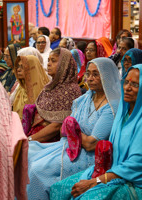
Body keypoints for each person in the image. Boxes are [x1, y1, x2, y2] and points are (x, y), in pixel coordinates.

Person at [27, 57, 121, 200]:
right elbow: (63, 130)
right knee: (28, 153)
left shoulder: (111, 106)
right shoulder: (85, 99)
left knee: (37, 169)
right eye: (88, 73)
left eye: (96, 74)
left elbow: (91, 144)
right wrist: (72, 131)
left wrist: (74, 131)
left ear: (107, 76)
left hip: (88, 156)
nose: (89, 78)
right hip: (69, 145)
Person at [50, 64, 142, 200]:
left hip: (131, 182)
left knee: (86, 197)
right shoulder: (124, 113)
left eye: (135, 84)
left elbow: (134, 165)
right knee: (59, 188)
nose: (127, 88)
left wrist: (95, 181)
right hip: (111, 171)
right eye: (126, 82)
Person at [22, 48, 81, 143]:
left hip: (51, 141)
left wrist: (29, 140)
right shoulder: (50, 86)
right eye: (48, 60)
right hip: (35, 135)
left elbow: (56, 126)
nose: (48, 64)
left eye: (53, 61)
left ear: (64, 65)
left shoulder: (70, 90)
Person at [13, 55, 49, 120]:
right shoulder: (21, 88)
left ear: (32, 69)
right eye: (18, 67)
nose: (18, 69)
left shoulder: (43, 91)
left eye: (22, 67)